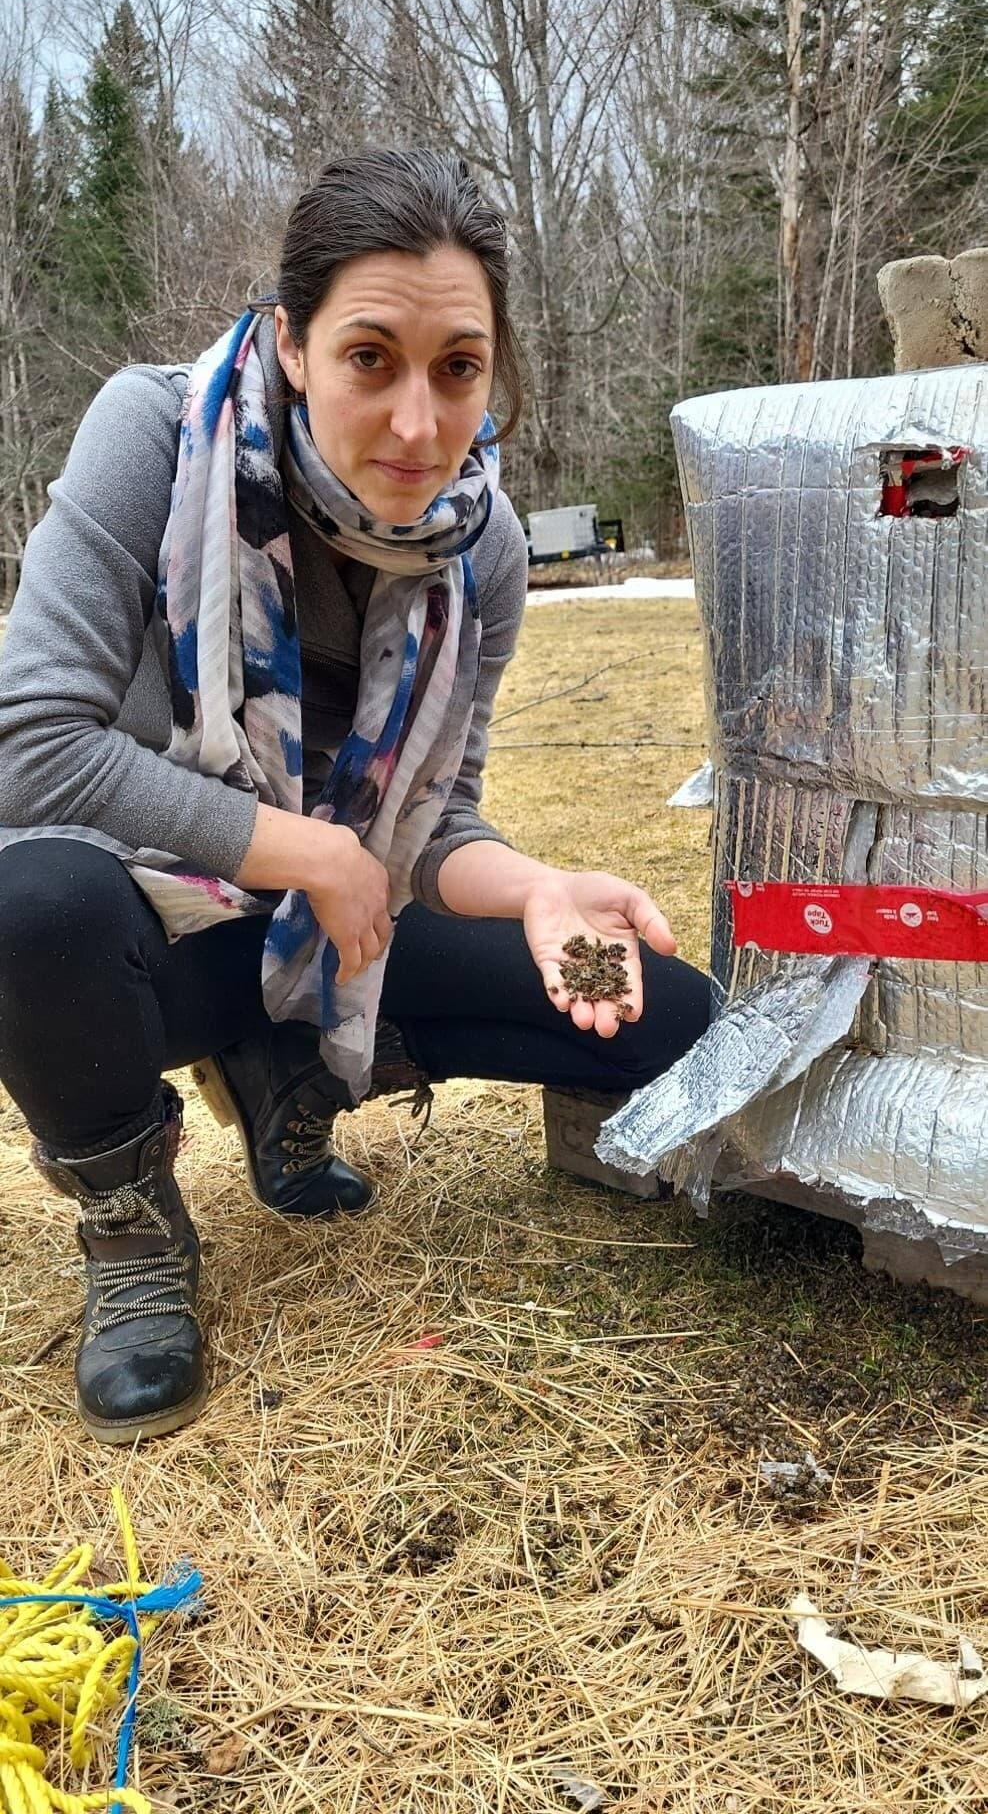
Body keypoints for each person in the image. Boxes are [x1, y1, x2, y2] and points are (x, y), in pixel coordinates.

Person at [0, 148, 709, 1446]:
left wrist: (543, 890)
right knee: (26, 900)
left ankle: (286, 1058)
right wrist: (307, 851)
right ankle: (128, 1219)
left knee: (670, 1022)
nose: (418, 425)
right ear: (291, 345)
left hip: (328, 930)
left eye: (459, 369)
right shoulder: (154, 436)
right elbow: (27, 746)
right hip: (127, 934)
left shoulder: (482, 547)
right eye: (370, 358)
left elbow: (439, 824)